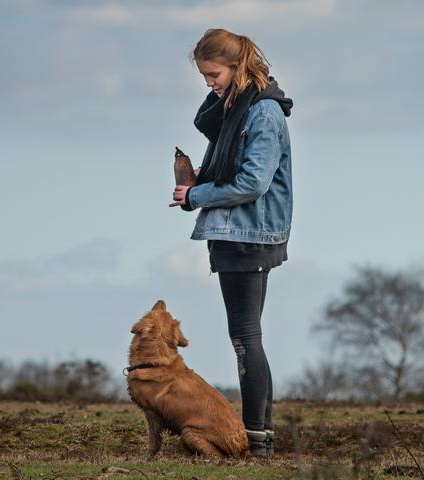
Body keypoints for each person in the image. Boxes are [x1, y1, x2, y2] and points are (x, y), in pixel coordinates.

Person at [169, 28, 293, 458]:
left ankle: (257, 439)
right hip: (236, 232)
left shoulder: (262, 114)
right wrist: (200, 180)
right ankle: (259, 437)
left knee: (245, 337)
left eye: (213, 74)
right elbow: (234, 170)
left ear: (237, 65)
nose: (209, 83)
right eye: (204, 77)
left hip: (250, 234)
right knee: (245, 336)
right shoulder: (237, 109)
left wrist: (196, 195)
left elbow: (253, 182)